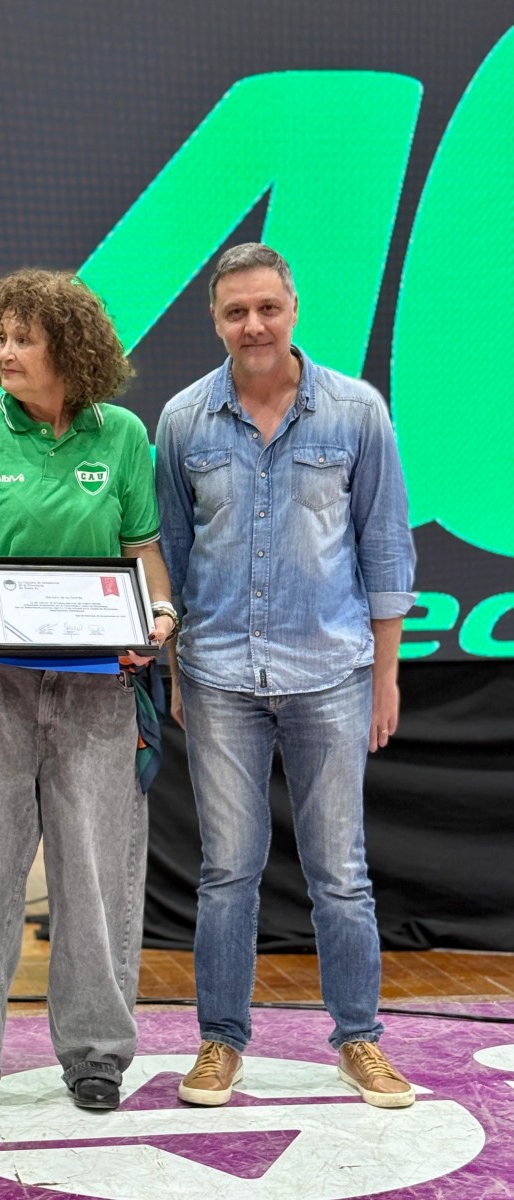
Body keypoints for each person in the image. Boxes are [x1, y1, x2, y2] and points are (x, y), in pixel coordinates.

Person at [155, 244, 417, 1109]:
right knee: (228, 870)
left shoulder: (356, 412)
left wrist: (385, 676)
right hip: (222, 673)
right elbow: (170, 563)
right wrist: (179, 670)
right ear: (216, 320)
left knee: (340, 871)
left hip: (333, 673)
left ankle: (360, 1041)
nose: (253, 326)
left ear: (293, 309)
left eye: (267, 308)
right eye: (236, 313)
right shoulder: (184, 421)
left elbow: (385, 548)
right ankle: (220, 1043)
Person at [0, 269, 176, 1116]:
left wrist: (162, 611)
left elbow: (142, 553)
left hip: (99, 687)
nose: (4, 352)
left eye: (23, 338)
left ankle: (97, 1055)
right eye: (0, 336)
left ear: (69, 349)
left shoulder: (124, 437)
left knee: (99, 871)